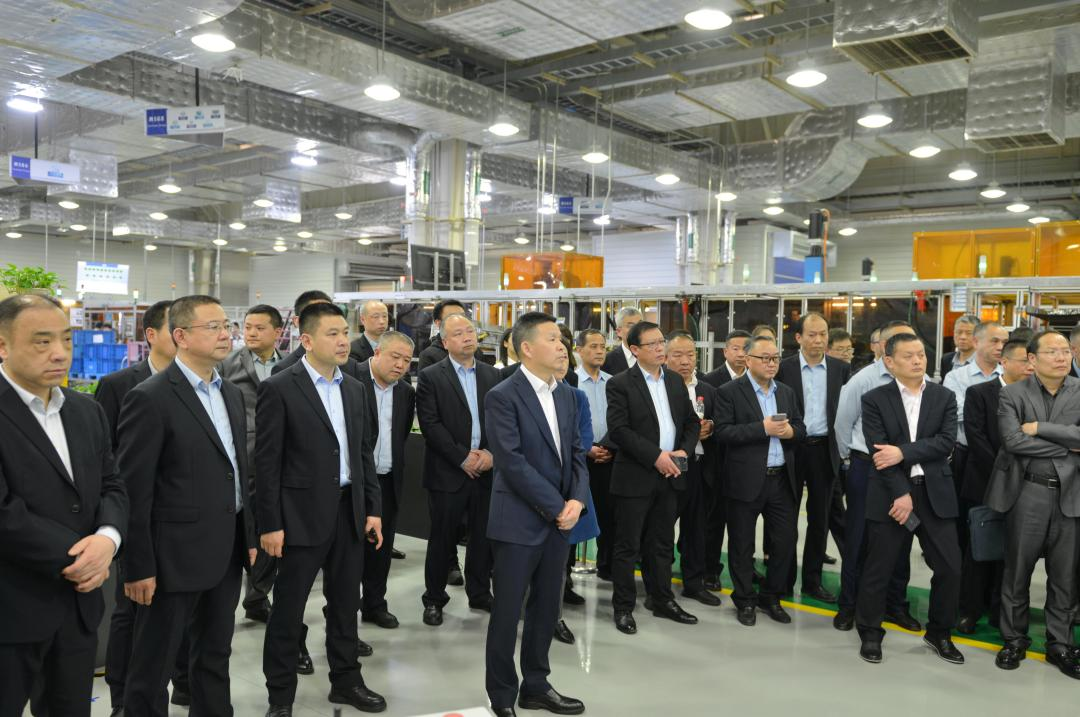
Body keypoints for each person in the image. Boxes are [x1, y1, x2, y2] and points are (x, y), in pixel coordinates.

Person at [118, 295, 257, 715]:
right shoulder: (151, 397)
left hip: (226, 550)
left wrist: (248, 535)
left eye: (226, 325)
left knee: (214, 655)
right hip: (172, 557)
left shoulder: (230, 393)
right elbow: (134, 490)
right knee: (154, 664)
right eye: (213, 327)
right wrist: (137, 566)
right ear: (180, 336)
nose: (226, 334)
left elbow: (238, 470)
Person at [257, 302, 386, 716]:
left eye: (345, 333)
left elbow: (363, 454)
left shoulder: (354, 388)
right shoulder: (280, 387)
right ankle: (280, 696)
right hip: (299, 516)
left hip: (349, 512)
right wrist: (270, 524)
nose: (343, 341)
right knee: (288, 610)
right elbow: (267, 463)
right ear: (307, 341)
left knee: (346, 605)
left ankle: (346, 682)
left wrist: (372, 508)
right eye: (332, 334)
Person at [0, 295, 127, 717]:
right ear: (3, 345)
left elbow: (112, 484)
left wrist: (108, 539)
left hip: (77, 610)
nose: (59, 353)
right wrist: (82, 558)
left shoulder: (86, 411)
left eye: (66, 340)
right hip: (11, 608)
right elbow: (5, 513)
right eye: (42, 341)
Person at [483, 312, 588, 717]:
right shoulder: (503, 395)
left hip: (560, 521)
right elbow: (511, 462)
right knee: (507, 613)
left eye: (562, 339)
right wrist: (558, 506)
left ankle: (537, 686)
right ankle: (502, 695)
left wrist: (577, 500)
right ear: (526, 348)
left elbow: (577, 454)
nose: (562, 345)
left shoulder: (567, 395)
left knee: (546, 609)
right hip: (518, 521)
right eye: (552, 339)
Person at [856, 332, 962, 665]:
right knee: (879, 567)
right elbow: (879, 452)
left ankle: (939, 632)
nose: (918, 361)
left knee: (950, 567)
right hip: (891, 494)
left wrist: (902, 452)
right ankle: (870, 632)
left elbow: (945, 442)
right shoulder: (875, 399)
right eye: (909, 356)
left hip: (934, 493)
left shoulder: (944, 396)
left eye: (921, 355)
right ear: (889, 361)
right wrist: (901, 493)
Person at [97, 300, 179, 715]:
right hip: (137, 517)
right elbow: (106, 456)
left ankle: (179, 683)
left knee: (176, 614)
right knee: (130, 609)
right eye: (175, 329)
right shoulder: (118, 385)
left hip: (182, 523)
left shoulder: (199, 385)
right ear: (151, 335)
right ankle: (121, 696)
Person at [986, 330, 1080, 678]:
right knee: (1017, 571)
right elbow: (1013, 441)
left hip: (1071, 495)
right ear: (1032, 359)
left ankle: (1060, 644)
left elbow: (1028, 436)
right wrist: (1069, 446)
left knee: (1065, 577)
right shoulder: (1012, 393)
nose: (1062, 357)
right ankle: (1013, 639)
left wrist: (1040, 427)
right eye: (1052, 351)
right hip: (1028, 493)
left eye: (1065, 351)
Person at [606, 321, 700, 635]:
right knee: (627, 546)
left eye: (662, 342)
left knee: (661, 543)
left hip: (670, 475)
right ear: (635, 350)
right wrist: (656, 456)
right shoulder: (621, 383)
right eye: (653, 344)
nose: (661, 348)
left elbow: (691, 422)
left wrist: (684, 451)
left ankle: (662, 599)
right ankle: (623, 607)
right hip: (636, 477)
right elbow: (619, 430)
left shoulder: (673, 380)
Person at [833, 320, 922, 633]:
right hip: (867, 468)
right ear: (885, 349)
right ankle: (849, 606)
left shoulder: (922, 382)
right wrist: (851, 460)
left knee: (901, 539)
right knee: (859, 539)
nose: (913, 354)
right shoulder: (864, 380)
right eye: (901, 343)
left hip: (905, 468)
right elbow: (843, 425)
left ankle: (895, 605)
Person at [715, 334, 805, 626]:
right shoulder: (729, 392)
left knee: (784, 542)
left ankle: (771, 597)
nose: (771, 363)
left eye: (775, 358)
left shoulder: (786, 392)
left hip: (781, 480)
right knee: (742, 544)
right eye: (765, 358)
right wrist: (762, 429)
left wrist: (791, 433)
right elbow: (723, 433)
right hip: (745, 480)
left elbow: (800, 427)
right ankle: (744, 600)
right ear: (748, 359)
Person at [416, 313, 501, 625]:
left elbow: (501, 420)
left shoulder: (493, 375)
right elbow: (430, 424)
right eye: (458, 333)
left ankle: (479, 593)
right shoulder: (431, 376)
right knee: (442, 539)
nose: (467, 337)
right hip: (448, 472)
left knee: (482, 538)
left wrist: (491, 454)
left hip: (486, 470)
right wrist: (462, 458)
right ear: (444, 342)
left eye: (470, 331)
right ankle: (434, 598)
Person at [956, 339, 1031, 635]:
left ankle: (1001, 612)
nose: (1029, 367)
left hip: (1024, 485)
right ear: (1005, 362)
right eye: (1024, 361)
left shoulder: (1034, 394)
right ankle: (970, 610)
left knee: (1011, 553)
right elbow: (976, 438)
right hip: (985, 482)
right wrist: (1005, 472)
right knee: (978, 548)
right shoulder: (980, 393)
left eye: (1032, 361)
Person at [776, 312, 850, 603]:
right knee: (786, 519)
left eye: (823, 334)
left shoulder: (841, 369)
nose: (819, 340)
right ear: (798, 338)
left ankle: (812, 581)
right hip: (791, 449)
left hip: (824, 450)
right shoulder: (784, 368)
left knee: (820, 520)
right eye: (812, 335)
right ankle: (782, 581)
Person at [220, 305, 288, 620]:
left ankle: (258, 596)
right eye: (248, 327)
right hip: (242, 456)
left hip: (281, 456)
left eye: (260, 328)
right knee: (244, 526)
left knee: (273, 524)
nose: (251, 333)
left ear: (278, 332)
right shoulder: (227, 363)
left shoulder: (290, 365)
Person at [356, 332, 416, 630]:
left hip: (388, 481)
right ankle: (340, 611)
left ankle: (375, 605)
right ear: (377, 352)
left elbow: (400, 435)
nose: (401, 365)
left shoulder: (405, 392)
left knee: (381, 548)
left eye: (407, 360)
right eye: (395, 357)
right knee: (349, 552)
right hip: (354, 482)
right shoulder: (349, 378)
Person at [664, 331, 722, 607]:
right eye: (678, 355)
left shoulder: (708, 390)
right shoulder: (660, 387)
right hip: (669, 467)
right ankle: (659, 586)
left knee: (696, 528)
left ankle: (694, 583)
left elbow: (720, 422)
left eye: (690, 355)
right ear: (665, 357)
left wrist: (711, 427)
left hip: (699, 468)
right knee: (662, 529)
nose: (685, 361)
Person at [553, 339, 601, 645]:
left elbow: (582, 443)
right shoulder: (516, 394)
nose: (561, 363)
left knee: (559, 560)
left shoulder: (576, 397)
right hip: (532, 490)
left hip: (568, 486)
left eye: (564, 359)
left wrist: (576, 495)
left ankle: (553, 616)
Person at [701, 328, 752, 589]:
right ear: (725, 351)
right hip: (717, 461)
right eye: (736, 348)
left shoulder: (757, 380)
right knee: (714, 519)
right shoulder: (711, 381)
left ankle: (745, 569)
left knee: (743, 524)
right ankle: (710, 569)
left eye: (746, 349)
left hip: (747, 463)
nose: (741, 354)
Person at [575, 329, 616, 580]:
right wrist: (587, 448)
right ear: (579, 350)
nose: (600, 351)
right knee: (575, 513)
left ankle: (607, 566)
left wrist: (608, 446)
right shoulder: (571, 381)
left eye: (603, 347)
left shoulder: (614, 382)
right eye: (593, 346)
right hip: (580, 458)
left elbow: (620, 420)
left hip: (609, 456)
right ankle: (565, 576)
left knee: (610, 515)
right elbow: (568, 424)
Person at [418, 299, 467, 371]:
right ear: (438, 323)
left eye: (462, 316)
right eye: (452, 317)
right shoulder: (429, 356)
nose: (460, 321)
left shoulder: (473, 350)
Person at [601, 306, 643, 375]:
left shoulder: (653, 356)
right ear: (619, 332)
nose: (637, 329)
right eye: (631, 326)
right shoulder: (607, 361)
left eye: (640, 325)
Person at [941, 314, 980, 380]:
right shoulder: (946, 359)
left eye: (968, 333)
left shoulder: (984, 361)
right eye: (959, 332)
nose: (963, 337)